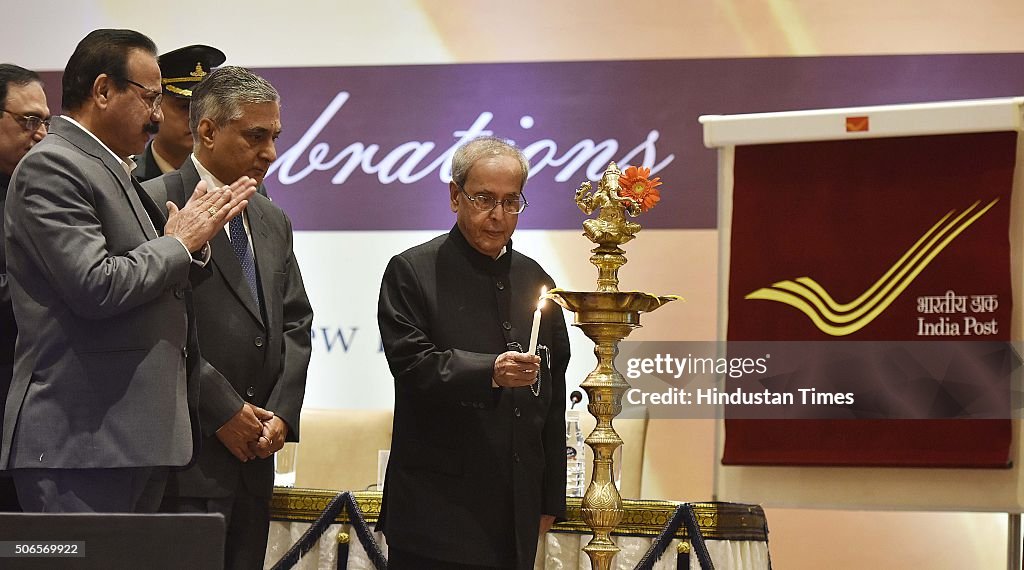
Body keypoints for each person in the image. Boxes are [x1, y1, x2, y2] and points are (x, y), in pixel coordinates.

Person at [1, 29, 257, 513]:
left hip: (128, 439)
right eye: (151, 98)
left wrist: (185, 246)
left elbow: (147, 272)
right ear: (102, 91)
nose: (159, 116)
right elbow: (95, 286)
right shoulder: (54, 166)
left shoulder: (110, 166)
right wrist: (179, 243)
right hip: (81, 442)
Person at [143, 66, 312, 570]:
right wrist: (223, 411)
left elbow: (295, 322)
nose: (271, 153)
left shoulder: (270, 215)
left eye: (275, 137)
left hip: (256, 459)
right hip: (187, 456)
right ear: (209, 131)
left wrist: (281, 412)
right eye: (256, 136)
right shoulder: (152, 202)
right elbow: (155, 331)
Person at [377, 136, 570, 570]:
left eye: (511, 201)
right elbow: (413, 366)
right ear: (454, 196)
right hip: (436, 513)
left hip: (515, 510)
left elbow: (551, 401)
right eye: (484, 198)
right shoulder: (411, 272)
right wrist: (491, 372)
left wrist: (549, 498)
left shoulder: (537, 281)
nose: (498, 216)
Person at [0, 63, 49, 512]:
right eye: (27, 121)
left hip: (31, 418)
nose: (39, 134)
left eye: (46, 123)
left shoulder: (40, 186)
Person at [133, 44, 225, 182]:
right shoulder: (127, 178)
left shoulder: (235, 178)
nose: (197, 118)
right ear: (156, 105)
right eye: (184, 107)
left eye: (204, 107)